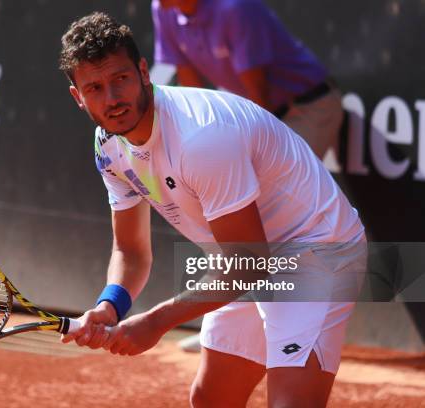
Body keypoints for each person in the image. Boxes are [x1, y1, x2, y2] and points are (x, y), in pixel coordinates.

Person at [58, 11, 366, 407]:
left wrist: (155, 321)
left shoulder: (202, 138)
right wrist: (110, 304)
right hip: (245, 255)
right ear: (77, 97)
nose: (113, 99)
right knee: (211, 399)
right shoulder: (109, 146)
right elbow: (130, 253)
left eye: (120, 79)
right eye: (95, 87)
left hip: (314, 252)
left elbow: (249, 264)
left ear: (143, 71)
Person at [152, 0, 343, 161]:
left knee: (273, 192)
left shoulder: (235, 8)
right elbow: (193, 91)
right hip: (262, 114)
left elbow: (259, 92)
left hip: (310, 107)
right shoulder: (162, 9)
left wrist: (255, 155)